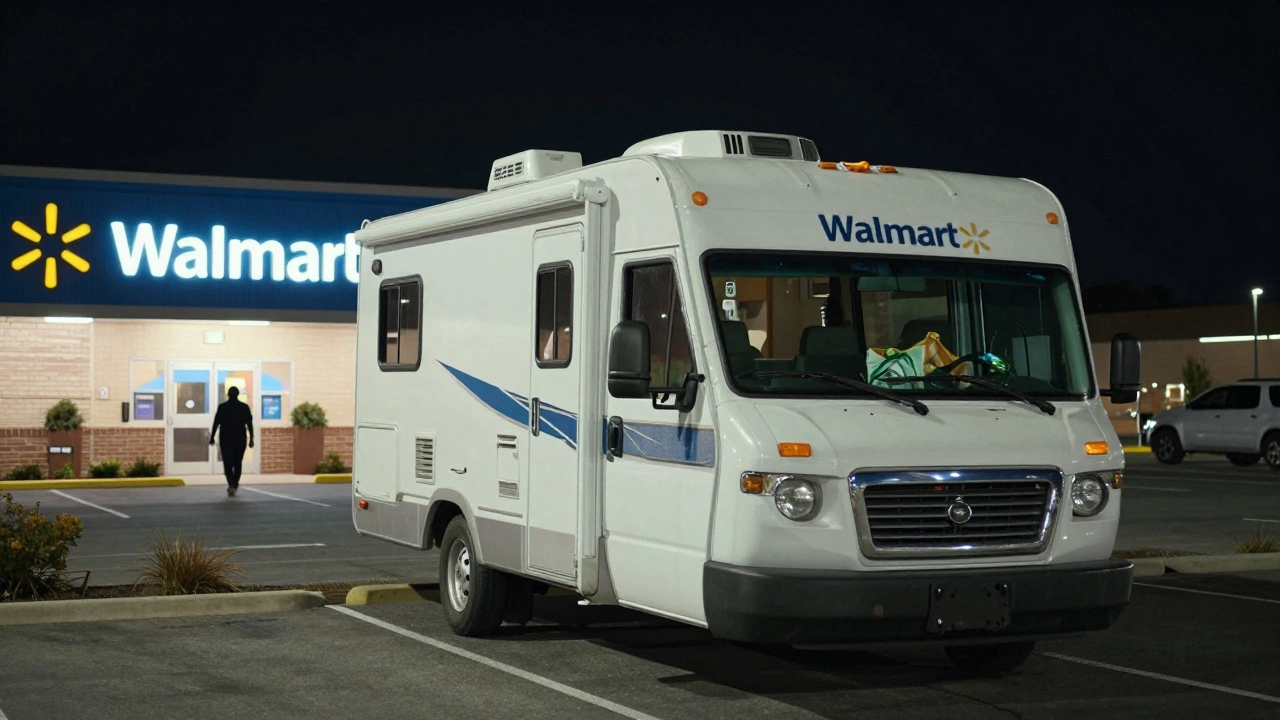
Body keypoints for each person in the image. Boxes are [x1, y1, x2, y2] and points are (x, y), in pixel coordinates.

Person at [210, 386, 254, 496]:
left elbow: (216, 423)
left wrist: (212, 437)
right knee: (238, 462)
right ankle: (234, 484)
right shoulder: (244, 407)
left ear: (228, 394)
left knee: (227, 463)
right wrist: (251, 438)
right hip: (240, 438)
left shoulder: (222, 407)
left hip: (226, 439)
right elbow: (249, 424)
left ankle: (231, 484)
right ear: (238, 394)